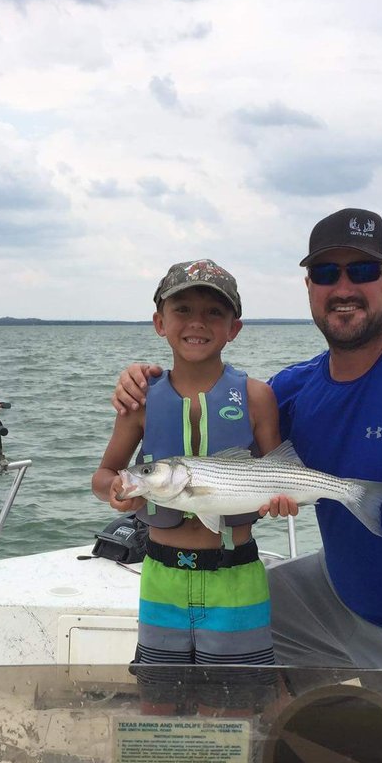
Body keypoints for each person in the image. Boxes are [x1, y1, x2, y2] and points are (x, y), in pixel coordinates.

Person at [114, 210, 382, 725]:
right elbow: (218, 416)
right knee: (238, 631)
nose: (343, 287)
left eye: (362, 271)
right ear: (309, 288)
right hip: (337, 592)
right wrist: (146, 379)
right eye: (327, 275)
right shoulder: (295, 390)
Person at [93, 258, 288, 706]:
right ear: (160, 322)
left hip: (237, 573)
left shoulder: (257, 396)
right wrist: (115, 493)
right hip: (161, 573)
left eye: (213, 313)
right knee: (159, 700)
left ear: (233, 328)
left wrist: (282, 501)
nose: (197, 323)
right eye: (182, 310)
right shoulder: (141, 399)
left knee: (238, 707)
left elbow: (276, 469)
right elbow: (103, 474)